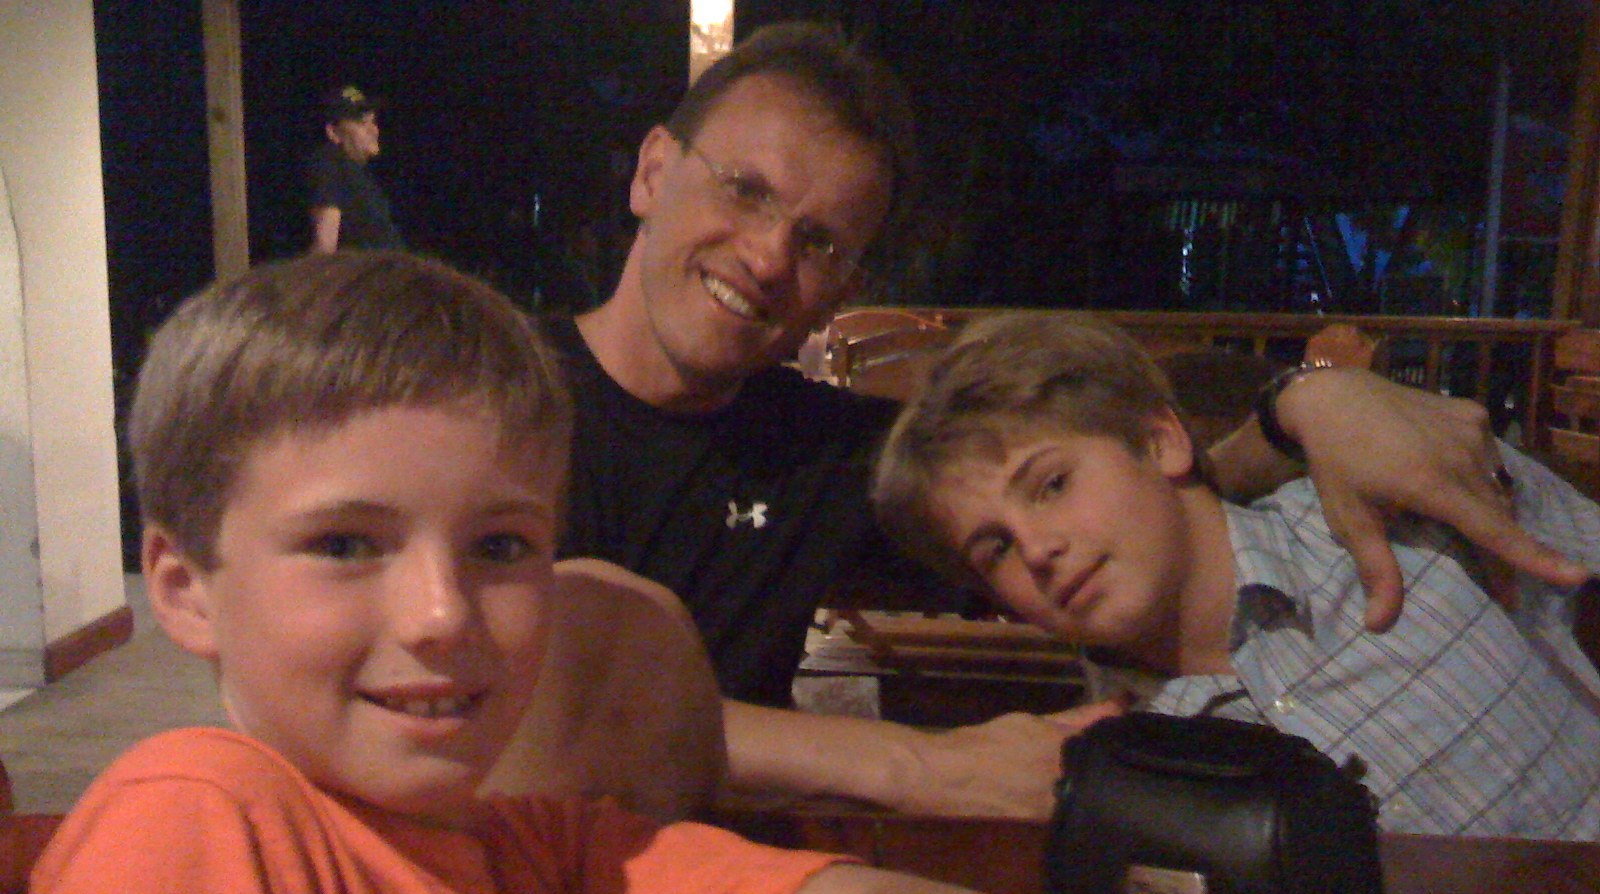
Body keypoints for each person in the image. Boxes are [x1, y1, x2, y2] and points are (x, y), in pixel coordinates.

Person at [6, 251, 1052, 894]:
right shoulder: (192, 824)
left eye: (501, 548)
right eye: (345, 544)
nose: (441, 614)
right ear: (185, 591)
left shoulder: (551, 861)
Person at [552, 19, 1587, 820]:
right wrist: (915, 764)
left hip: (707, 887)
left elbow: (1136, 481)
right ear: (652, 171)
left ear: (842, 290)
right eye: (744, 191)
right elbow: (530, 711)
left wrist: (1307, 404)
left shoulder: (821, 455)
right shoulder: (496, 399)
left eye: (820, 242)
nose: (769, 258)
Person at [873, 310, 1600, 837]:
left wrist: (1321, 394)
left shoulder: (1392, 510)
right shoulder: (1127, 763)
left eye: (1052, 484)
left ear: (1160, 442)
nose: (1036, 549)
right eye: (995, 549)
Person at [307, 84, 405, 252]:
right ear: (333, 132)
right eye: (362, 123)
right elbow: (325, 246)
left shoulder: (359, 173)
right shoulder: (329, 164)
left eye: (373, 122)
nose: (373, 130)